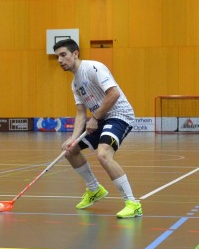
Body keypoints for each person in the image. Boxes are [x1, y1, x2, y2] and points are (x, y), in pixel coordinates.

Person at [53, 38, 141, 219]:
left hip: (119, 115)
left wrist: (95, 118)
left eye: (63, 55)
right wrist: (72, 138)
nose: (60, 60)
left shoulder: (93, 68)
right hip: (99, 118)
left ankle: (133, 203)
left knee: (103, 154)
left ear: (75, 53)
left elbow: (114, 94)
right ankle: (94, 190)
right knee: (71, 151)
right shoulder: (75, 84)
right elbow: (80, 114)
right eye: (57, 57)